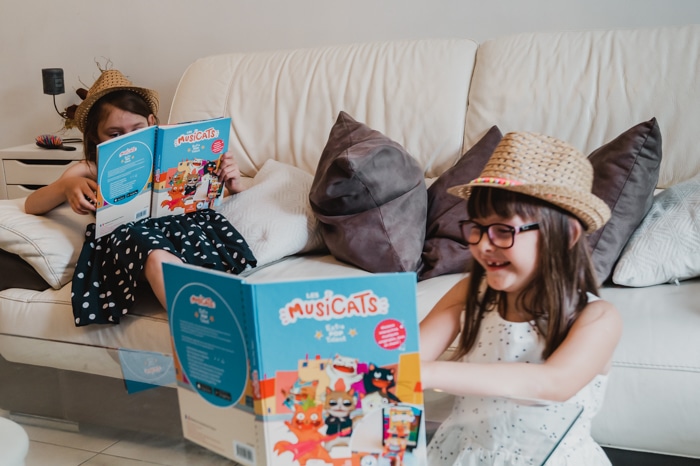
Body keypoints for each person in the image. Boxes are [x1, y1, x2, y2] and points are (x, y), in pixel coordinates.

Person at [420, 131, 623, 465]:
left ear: (567, 234)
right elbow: (407, 355)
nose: (483, 245)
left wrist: (426, 373)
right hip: (467, 454)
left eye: (503, 230)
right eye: (477, 227)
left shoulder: (597, 317)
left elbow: (554, 383)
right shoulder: (470, 295)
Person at [25, 69, 256, 326]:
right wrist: (66, 186)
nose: (128, 140)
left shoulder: (170, 153)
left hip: (181, 227)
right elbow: (31, 204)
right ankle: (199, 329)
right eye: (115, 135)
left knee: (189, 252)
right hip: (130, 238)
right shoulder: (89, 168)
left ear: (151, 121)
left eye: (137, 129)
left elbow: (204, 194)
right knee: (155, 255)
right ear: (95, 137)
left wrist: (233, 183)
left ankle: (222, 309)